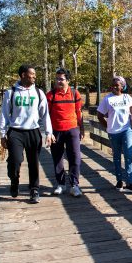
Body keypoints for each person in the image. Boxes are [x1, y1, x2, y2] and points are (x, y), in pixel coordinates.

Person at [0, 64, 55, 203]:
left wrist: (49, 132)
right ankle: (14, 180)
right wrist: (2, 134)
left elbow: (45, 114)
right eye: (32, 74)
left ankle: (34, 189)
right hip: (16, 132)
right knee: (15, 161)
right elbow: (5, 115)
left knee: (33, 162)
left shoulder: (38, 92)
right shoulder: (11, 92)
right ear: (23, 75)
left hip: (33, 131)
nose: (34, 76)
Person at [96, 76, 132, 194]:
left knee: (128, 155)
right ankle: (119, 181)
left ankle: (130, 183)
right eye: (113, 85)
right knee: (116, 157)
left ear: (122, 86)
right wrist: (107, 126)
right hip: (113, 132)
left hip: (126, 130)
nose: (115, 87)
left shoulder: (127, 98)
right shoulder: (107, 99)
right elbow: (99, 115)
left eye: (117, 85)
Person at [46, 68, 85, 197]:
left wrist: (82, 128)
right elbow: (46, 115)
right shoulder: (50, 95)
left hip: (72, 129)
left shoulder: (75, 94)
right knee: (57, 158)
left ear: (68, 80)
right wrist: (48, 132)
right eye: (57, 79)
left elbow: (79, 113)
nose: (58, 81)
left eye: (61, 79)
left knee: (75, 157)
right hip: (56, 131)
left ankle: (74, 185)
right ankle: (61, 184)